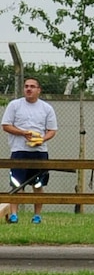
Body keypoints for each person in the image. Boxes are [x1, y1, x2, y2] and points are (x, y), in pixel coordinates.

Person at [3, 75, 58, 226]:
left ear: (39, 90)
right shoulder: (14, 105)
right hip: (19, 150)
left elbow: (52, 130)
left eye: (32, 86)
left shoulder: (46, 108)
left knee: (38, 185)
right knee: (16, 184)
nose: (28, 89)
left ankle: (37, 216)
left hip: (39, 152)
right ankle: (14, 215)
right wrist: (23, 133)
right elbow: (6, 125)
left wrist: (42, 139)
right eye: (26, 86)